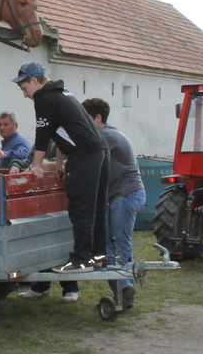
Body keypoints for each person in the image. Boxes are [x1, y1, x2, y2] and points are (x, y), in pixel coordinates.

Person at [13, 61, 108, 279]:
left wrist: (36, 165)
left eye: (24, 88)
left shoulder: (43, 98)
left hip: (84, 155)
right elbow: (62, 131)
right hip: (100, 151)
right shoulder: (62, 93)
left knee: (81, 208)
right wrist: (58, 164)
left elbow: (43, 134)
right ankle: (99, 255)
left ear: (34, 81)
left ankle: (81, 259)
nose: (25, 95)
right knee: (98, 206)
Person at [82, 97, 146, 309]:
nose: (82, 122)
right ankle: (123, 294)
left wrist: (47, 164)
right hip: (117, 196)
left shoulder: (106, 137)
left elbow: (83, 159)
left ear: (98, 118)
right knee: (110, 244)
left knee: (118, 243)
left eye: (85, 117)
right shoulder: (106, 135)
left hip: (125, 195)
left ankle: (125, 287)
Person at [8, 143, 80, 302]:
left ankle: (70, 288)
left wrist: (47, 165)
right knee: (42, 242)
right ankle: (40, 286)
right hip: (42, 201)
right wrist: (15, 165)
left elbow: (72, 162)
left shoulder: (69, 139)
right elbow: (29, 160)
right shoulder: (43, 141)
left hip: (62, 199)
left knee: (62, 244)